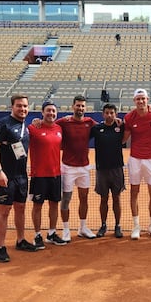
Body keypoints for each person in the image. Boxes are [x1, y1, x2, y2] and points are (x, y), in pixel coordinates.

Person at [0, 93, 37, 263]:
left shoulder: (26, 127)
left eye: (25, 106)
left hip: (21, 176)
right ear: (12, 107)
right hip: (5, 176)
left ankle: (21, 240)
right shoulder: (3, 124)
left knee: (20, 208)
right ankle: (1, 247)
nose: (22, 109)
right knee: (4, 211)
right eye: (19, 106)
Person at [56, 95, 97, 242]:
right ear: (73, 106)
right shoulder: (64, 122)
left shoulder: (89, 122)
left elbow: (104, 127)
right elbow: (50, 125)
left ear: (85, 108)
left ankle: (82, 228)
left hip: (84, 167)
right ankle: (66, 230)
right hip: (68, 168)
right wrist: (38, 122)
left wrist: (117, 121)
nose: (80, 108)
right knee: (66, 199)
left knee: (84, 198)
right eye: (78, 105)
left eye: (82, 106)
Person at [123, 88, 151, 240]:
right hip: (135, 159)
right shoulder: (129, 117)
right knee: (134, 192)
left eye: (143, 99)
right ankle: (136, 226)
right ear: (134, 101)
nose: (141, 101)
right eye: (138, 99)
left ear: (147, 100)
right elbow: (123, 139)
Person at [28, 101, 66, 249]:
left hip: (56, 174)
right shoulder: (33, 128)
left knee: (54, 204)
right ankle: (37, 235)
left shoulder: (59, 128)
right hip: (39, 175)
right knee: (37, 206)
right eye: (48, 111)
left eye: (53, 111)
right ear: (42, 112)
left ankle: (51, 233)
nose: (51, 113)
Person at [90, 103, 125, 238]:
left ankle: (117, 225)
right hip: (101, 170)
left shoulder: (120, 127)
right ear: (103, 114)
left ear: (116, 114)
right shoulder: (97, 129)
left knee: (117, 198)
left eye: (112, 113)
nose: (109, 115)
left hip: (117, 169)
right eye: (107, 113)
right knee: (103, 199)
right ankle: (103, 225)